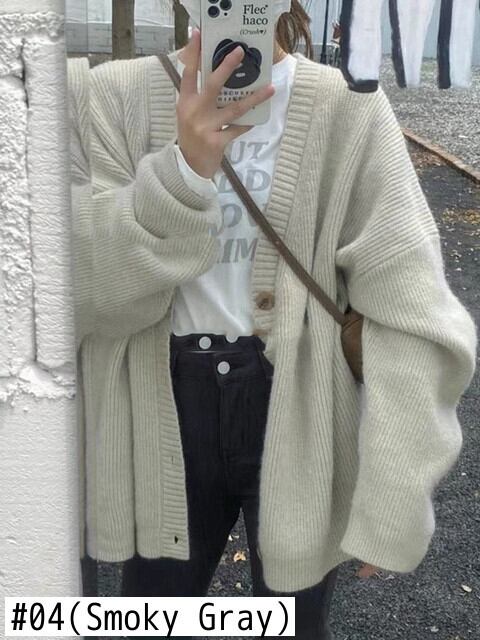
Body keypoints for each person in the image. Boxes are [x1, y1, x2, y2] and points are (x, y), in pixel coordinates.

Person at [68, 1, 477, 638]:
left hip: (296, 404)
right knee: (152, 619)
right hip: (158, 408)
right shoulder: (109, 97)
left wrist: (396, 488)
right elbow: (81, 286)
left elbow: (411, 307)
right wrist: (183, 170)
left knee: (291, 624)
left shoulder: (347, 105)